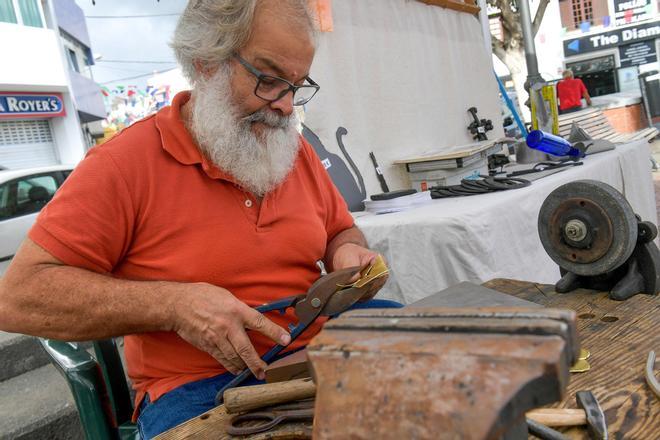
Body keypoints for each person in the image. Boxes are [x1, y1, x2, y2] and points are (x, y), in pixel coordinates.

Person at [0, 0, 400, 437]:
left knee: (452, 364)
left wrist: (348, 251)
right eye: (268, 80)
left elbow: (340, 229)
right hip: (198, 385)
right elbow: (17, 298)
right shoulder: (122, 165)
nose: (286, 107)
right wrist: (174, 305)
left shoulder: (293, 150)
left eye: (296, 85)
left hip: (316, 347)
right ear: (205, 61)